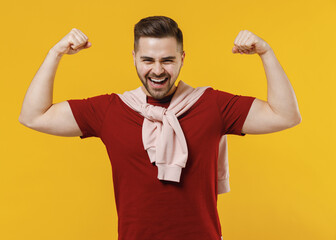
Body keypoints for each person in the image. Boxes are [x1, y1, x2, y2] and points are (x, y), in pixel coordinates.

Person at [19, 16, 301, 240]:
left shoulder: (210, 104)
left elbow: (285, 115)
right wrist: (55, 53)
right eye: (148, 60)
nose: (157, 70)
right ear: (133, 58)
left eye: (167, 60)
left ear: (182, 59)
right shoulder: (111, 110)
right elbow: (35, 116)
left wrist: (266, 52)